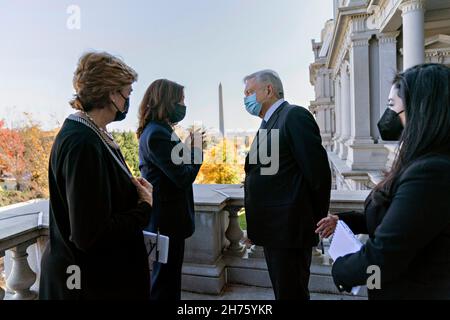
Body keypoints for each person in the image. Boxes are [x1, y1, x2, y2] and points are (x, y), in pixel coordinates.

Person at [316, 63, 450, 300]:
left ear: (420, 110)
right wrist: (345, 221)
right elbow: (402, 223)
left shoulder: (431, 173)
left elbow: (384, 257)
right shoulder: (424, 161)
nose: (386, 118)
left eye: (392, 106)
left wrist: (341, 270)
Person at [39, 52, 153, 300]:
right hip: (88, 286)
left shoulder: (92, 134)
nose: (128, 101)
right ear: (112, 94)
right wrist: (144, 207)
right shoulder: (83, 143)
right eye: (127, 93)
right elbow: (89, 235)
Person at [243, 70, 331, 300]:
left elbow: (318, 173)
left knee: (292, 294)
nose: (245, 98)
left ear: (268, 90)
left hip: (290, 230)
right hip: (276, 231)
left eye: (249, 92)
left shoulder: (293, 116)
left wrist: (317, 220)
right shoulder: (269, 121)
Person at [137, 79, 203, 300]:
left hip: (167, 221)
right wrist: (196, 150)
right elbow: (182, 176)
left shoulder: (160, 131)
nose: (183, 106)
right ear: (166, 101)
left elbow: (174, 165)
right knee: (165, 282)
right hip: (167, 222)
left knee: (168, 279)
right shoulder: (157, 133)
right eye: (181, 101)